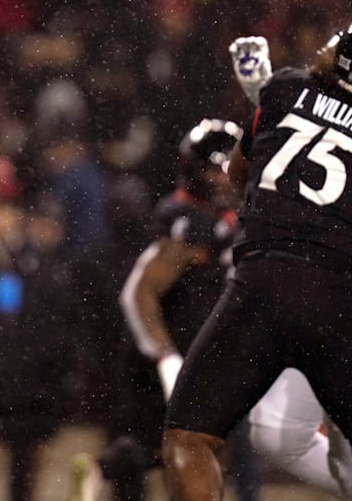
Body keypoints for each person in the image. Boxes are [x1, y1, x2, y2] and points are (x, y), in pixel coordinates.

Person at [162, 12, 352, 501]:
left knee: (189, 437)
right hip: (338, 296)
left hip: (258, 284)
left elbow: (240, 173)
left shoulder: (283, 91)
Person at [73, 118, 260, 501]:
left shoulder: (229, 218)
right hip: (177, 354)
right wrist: (166, 357)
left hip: (203, 353)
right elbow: (138, 293)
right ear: (195, 169)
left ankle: (103, 469)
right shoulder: (189, 220)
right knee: (195, 451)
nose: (225, 178)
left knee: (190, 451)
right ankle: (105, 469)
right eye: (215, 168)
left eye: (230, 168)